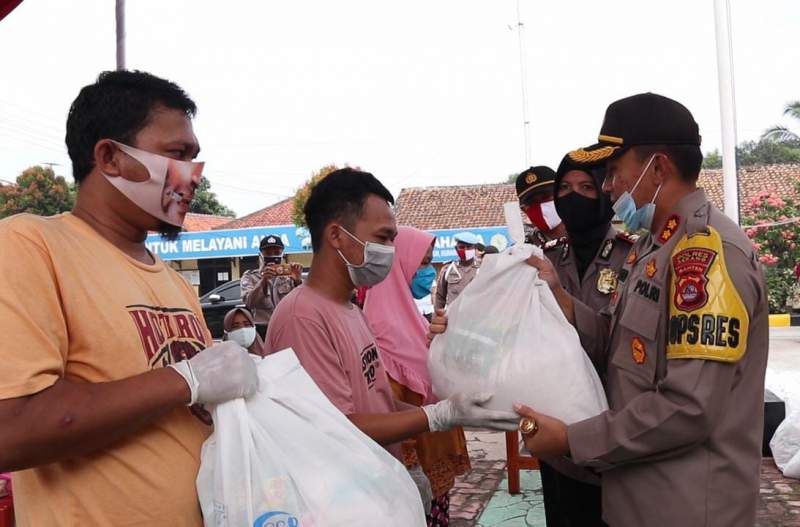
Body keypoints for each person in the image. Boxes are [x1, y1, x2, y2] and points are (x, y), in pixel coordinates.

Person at [0, 70, 258, 526]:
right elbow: (13, 428)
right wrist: (185, 380)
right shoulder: (30, 246)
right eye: (177, 154)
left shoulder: (172, 281)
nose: (194, 176)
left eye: (195, 158)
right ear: (110, 157)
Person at [515, 93, 769, 527]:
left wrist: (572, 439)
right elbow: (626, 348)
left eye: (614, 171)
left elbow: (687, 407)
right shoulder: (654, 246)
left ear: (658, 167)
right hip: (640, 498)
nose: (609, 185)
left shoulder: (706, 256)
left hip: (685, 507)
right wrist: (564, 302)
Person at [264, 168, 519, 510]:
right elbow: (335, 427)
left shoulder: (351, 309)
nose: (391, 250)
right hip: (337, 502)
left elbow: (377, 400)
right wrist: (437, 416)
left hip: (373, 486)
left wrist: (442, 412)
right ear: (337, 236)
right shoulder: (304, 316)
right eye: (383, 238)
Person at [533, 152, 636, 527]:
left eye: (586, 188)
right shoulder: (547, 257)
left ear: (606, 193)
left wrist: (562, 298)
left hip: (610, 421)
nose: (572, 197)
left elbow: (621, 341)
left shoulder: (633, 257)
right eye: (563, 188)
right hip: (556, 418)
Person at [363, 226, 470, 526]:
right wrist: (410, 464)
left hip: (435, 458)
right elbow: (387, 400)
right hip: (413, 468)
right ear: (399, 265)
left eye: (430, 262)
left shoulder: (410, 319)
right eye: (422, 263)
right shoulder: (381, 330)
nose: (428, 272)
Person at [240, 234, 303, 339]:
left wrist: (298, 281)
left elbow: (302, 303)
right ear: (260, 255)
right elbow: (249, 302)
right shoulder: (250, 276)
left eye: (277, 253)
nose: (272, 256)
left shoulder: (290, 276)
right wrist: (263, 281)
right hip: (263, 328)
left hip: (287, 327)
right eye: (268, 253)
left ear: (283, 254)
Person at [515, 166, 567, 247]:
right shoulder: (525, 250)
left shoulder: (587, 235)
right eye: (532, 202)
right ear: (524, 209)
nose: (541, 206)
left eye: (546, 197)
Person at [434, 231, 481, 310]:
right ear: (456, 249)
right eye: (462, 247)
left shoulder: (483, 268)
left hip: (477, 317)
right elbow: (440, 296)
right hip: (453, 317)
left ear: (474, 248)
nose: (465, 250)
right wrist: (437, 316)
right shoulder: (447, 269)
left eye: (469, 247)